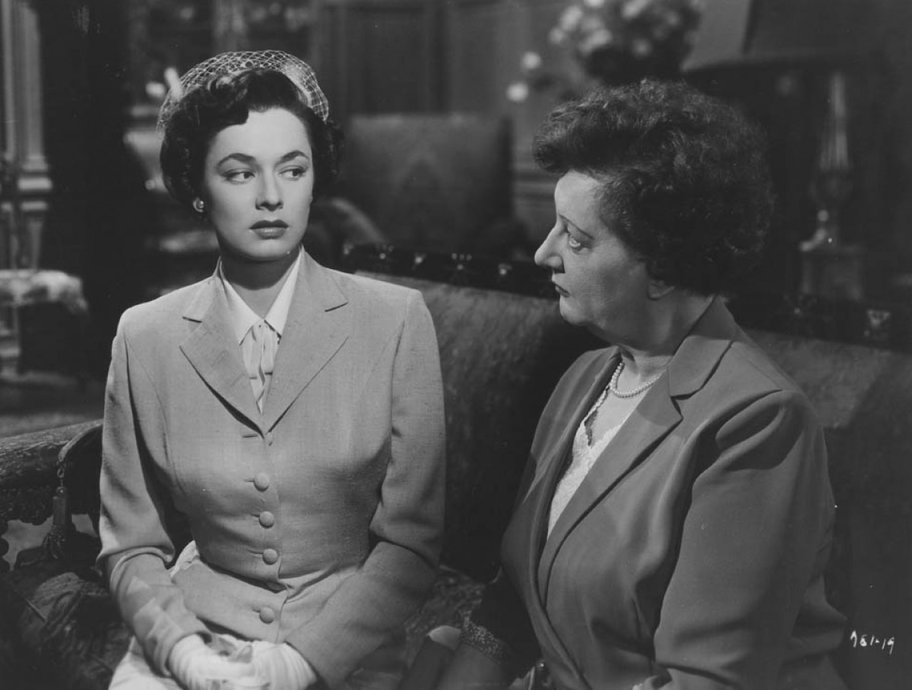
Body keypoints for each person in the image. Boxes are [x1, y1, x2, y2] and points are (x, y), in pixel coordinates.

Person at [430, 80, 846, 689]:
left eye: (576, 239)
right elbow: (513, 603)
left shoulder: (758, 422)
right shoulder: (586, 377)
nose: (544, 253)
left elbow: (705, 681)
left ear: (664, 268)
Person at [97, 50, 446, 690]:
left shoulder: (396, 321)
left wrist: (299, 663)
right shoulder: (145, 336)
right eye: (239, 173)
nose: (270, 197)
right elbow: (132, 546)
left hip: (345, 650)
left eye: (293, 169)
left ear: (316, 180)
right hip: (197, 637)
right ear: (198, 189)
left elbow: (411, 547)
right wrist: (183, 653)